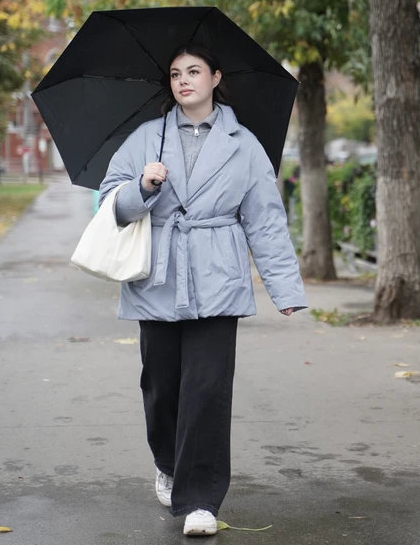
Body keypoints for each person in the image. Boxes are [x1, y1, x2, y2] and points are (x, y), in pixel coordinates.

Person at [98, 43, 307, 536]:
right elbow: (110, 203)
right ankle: (169, 464)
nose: (183, 80)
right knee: (160, 387)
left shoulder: (244, 143)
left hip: (219, 276)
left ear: (216, 77)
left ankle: (201, 501)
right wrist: (142, 188)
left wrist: (284, 286)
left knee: (207, 391)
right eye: (175, 73)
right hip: (158, 278)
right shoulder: (147, 138)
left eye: (194, 71)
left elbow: (265, 219)